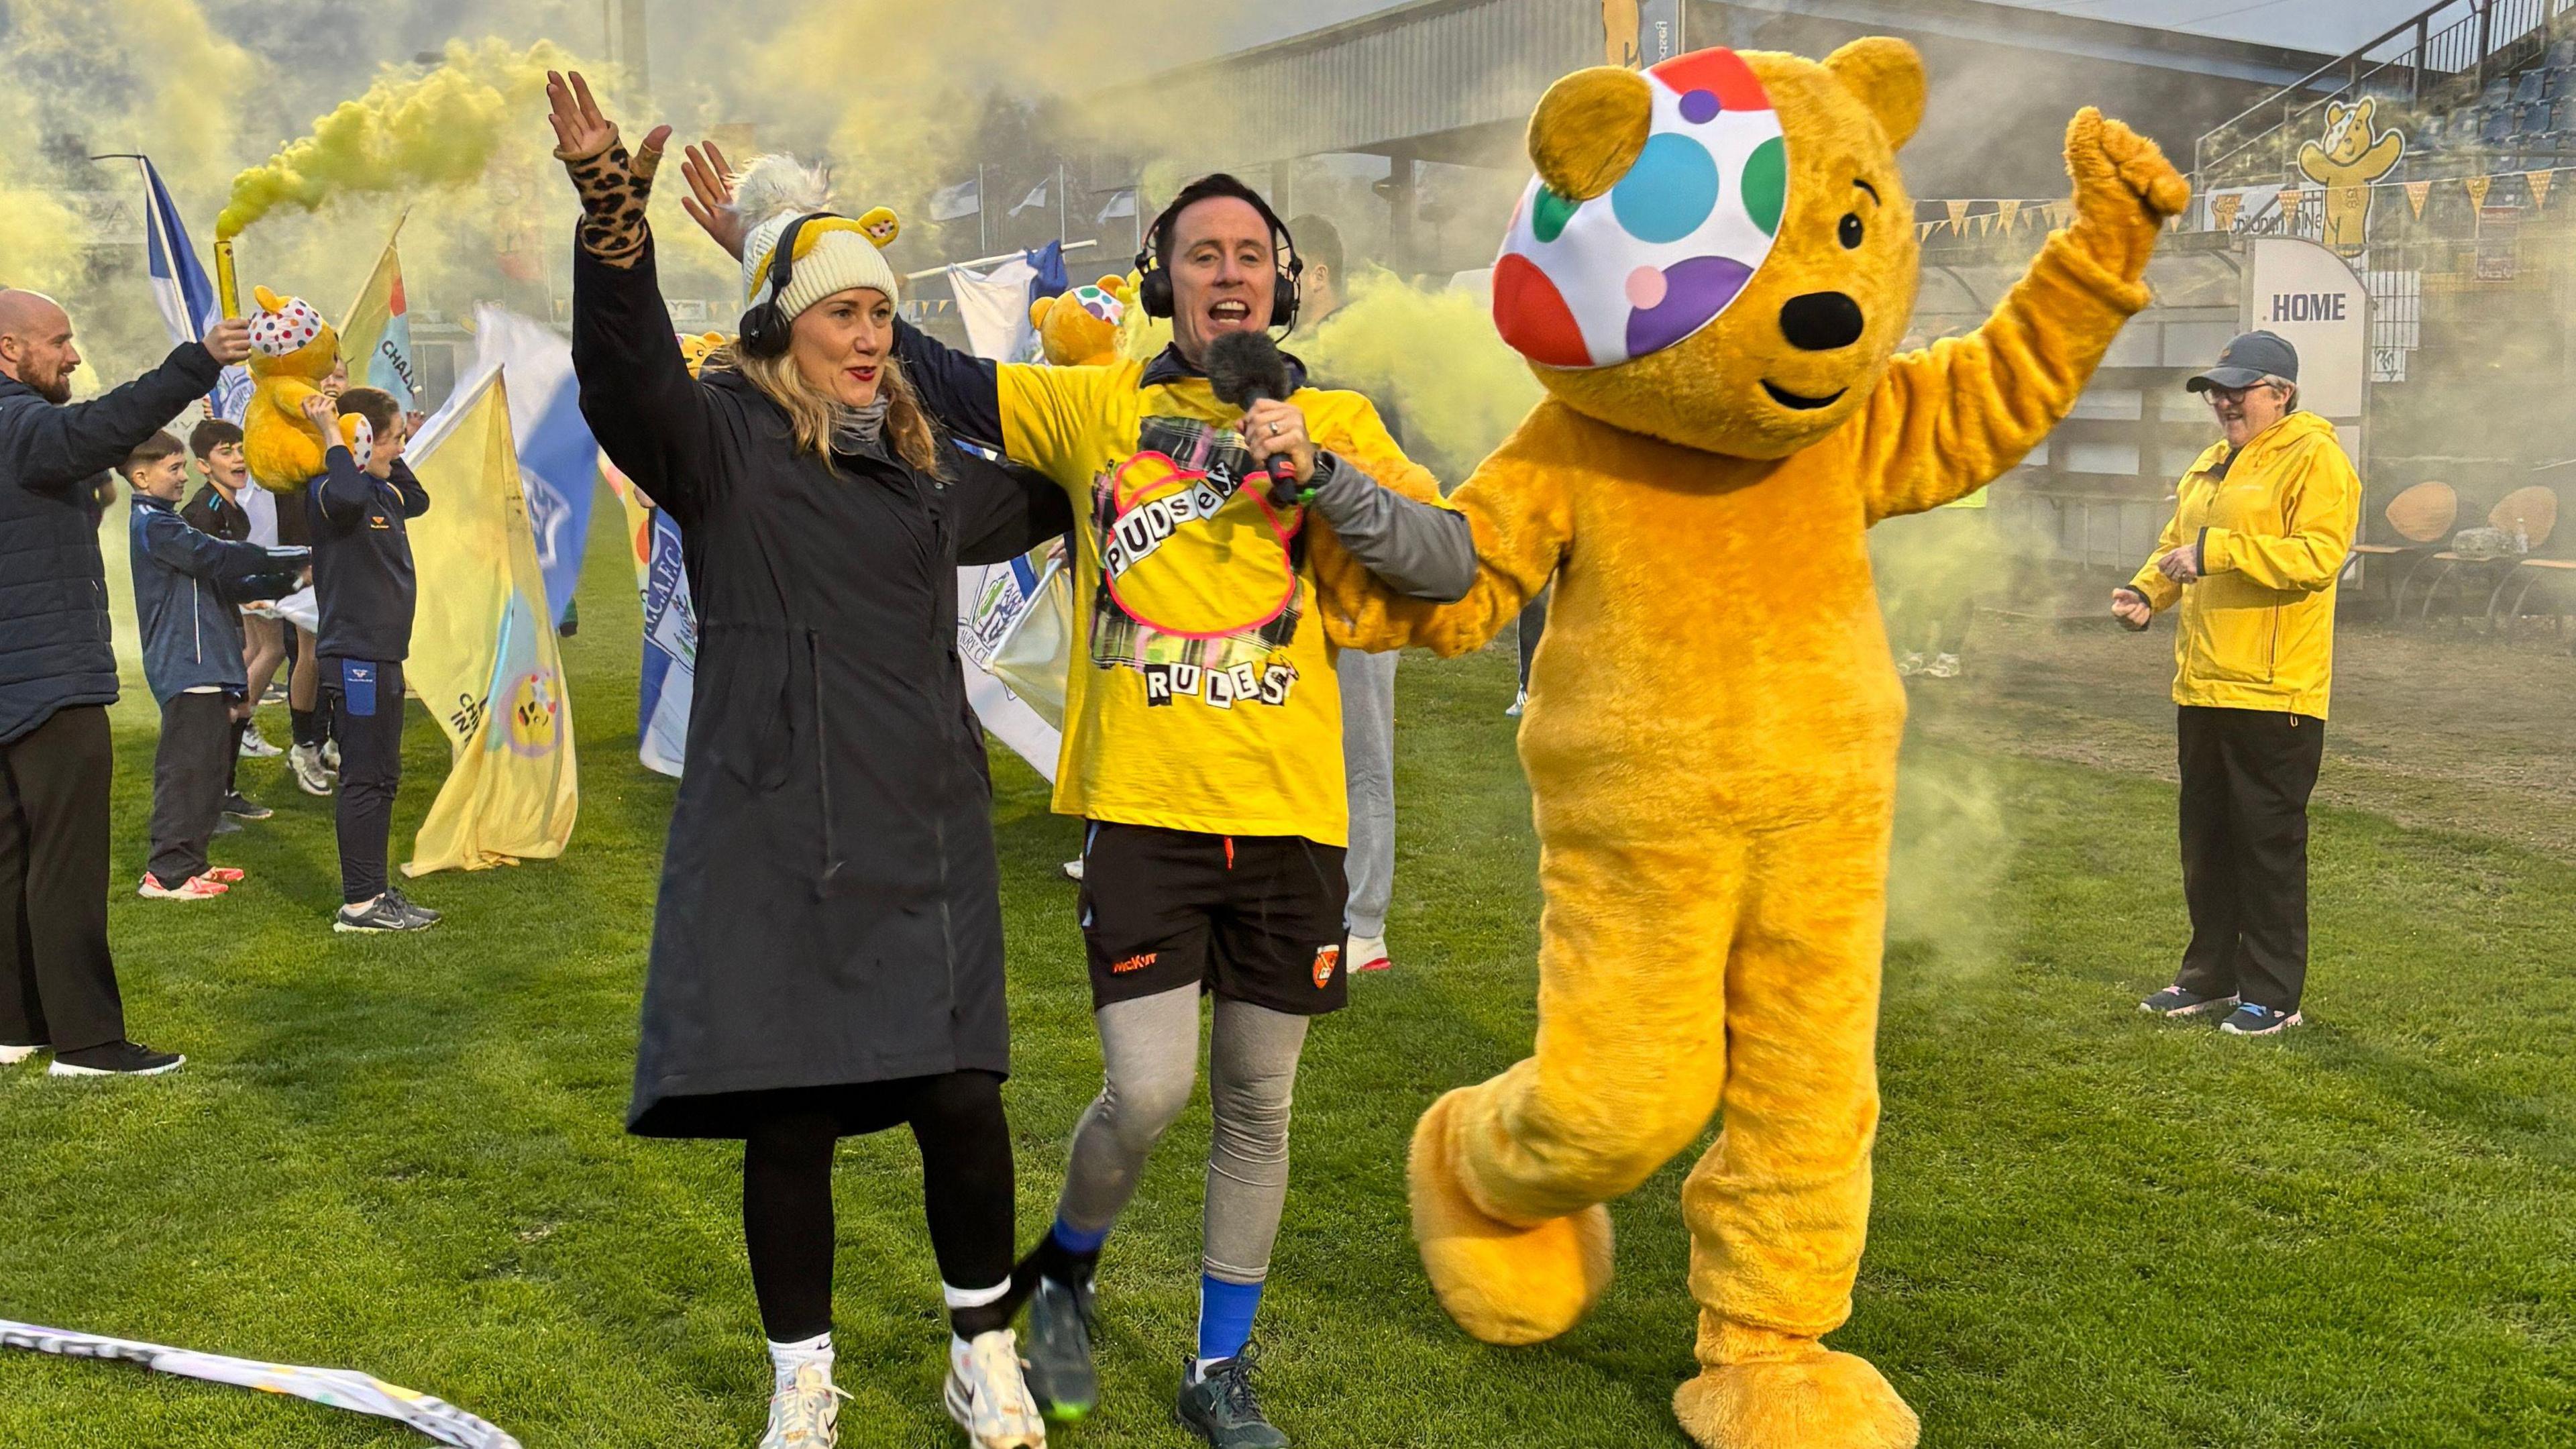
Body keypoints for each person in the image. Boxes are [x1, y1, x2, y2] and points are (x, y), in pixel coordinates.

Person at [677, 145, 1472, 1447]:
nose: (1230, 272)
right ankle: (1067, 1263)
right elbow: (910, 364)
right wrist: (770, 254)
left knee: (1259, 1106)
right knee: (1150, 1094)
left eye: (1251, 255)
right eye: (1203, 253)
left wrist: (1317, 473)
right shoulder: (1090, 407)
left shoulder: (1339, 425)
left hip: (1292, 824)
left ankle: (1219, 1371)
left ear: (1284, 286)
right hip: (1149, 813)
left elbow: (1445, 561)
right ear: (1164, 280)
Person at [551, 73, 1071, 1449]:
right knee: (787, 1119)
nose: (872, 335)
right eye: (845, 311)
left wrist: (1142, 421)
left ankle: (983, 1355)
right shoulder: (716, 444)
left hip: (923, 831)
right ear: (784, 329)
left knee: (961, 1102)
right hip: (771, 828)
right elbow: (622, 372)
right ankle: (801, 1380)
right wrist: (616, 213)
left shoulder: (925, 470)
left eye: (884, 314)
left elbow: (1062, 482)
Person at [0, 286, 252, 1077]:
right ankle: (89, 1043)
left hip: (14, 679)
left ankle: (16, 1027)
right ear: (10, 350)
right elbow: (95, 429)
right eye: (60, 340)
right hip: (47, 681)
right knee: (67, 865)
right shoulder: (18, 422)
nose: (73, 354)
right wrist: (198, 361)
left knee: (11, 860)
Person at [2119, 330, 2358, 1036]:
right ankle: (2209, 978)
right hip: (2203, 684)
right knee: (2208, 843)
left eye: (2238, 389)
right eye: (2216, 392)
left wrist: (2215, 552)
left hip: (2274, 691)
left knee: (2267, 847)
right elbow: (2176, 544)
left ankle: (2275, 997)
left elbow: (2318, 556)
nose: (2223, 402)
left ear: (2280, 394)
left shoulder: (2317, 457)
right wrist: (2144, 594)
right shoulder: (2214, 463)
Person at [121, 431, 305, 901]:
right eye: (175, 468)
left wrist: (287, 580)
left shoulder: (164, 524)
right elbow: (214, 556)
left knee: (205, 769)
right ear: (141, 477)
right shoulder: (156, 526)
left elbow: (226, 583)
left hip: (205, 663)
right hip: (188, 664)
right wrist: (288, 555)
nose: (184, 477)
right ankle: (166, 875)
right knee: (185, 770)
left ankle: (192, 862)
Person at [1285, 213, 1398, 978]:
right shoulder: (1295, 357)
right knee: (1311, 745)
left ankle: (1367, 926)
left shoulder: (1361, 350)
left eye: (1285, 267)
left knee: (1364, 753)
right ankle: (1324, 905)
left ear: (1317, 273)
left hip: (1360, 579)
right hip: (1301, 577)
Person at [293, 377, 435, 933]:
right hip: (355, 657)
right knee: (364, 776)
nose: (401, 449)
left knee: (382, 776)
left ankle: (373, 892)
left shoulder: (383, 490)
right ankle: (359, 905)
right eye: (394, 439)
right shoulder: (331, 492)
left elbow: (419, 499)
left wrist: (377, 444)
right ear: (361, 444)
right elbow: (347, 494)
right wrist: (335, 432)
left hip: (381, 655)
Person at [182, 419, 286, 816]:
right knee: (222, 711)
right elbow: (201, 574)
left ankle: (224, 795)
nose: (239, 459)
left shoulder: (236, 513)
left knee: (240, 708)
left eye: (241, 450)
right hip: (206, 630)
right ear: (203, 466)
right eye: (226, 453)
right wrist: (251, 595)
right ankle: (206, 804)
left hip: (229, 625)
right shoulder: (202, 513)